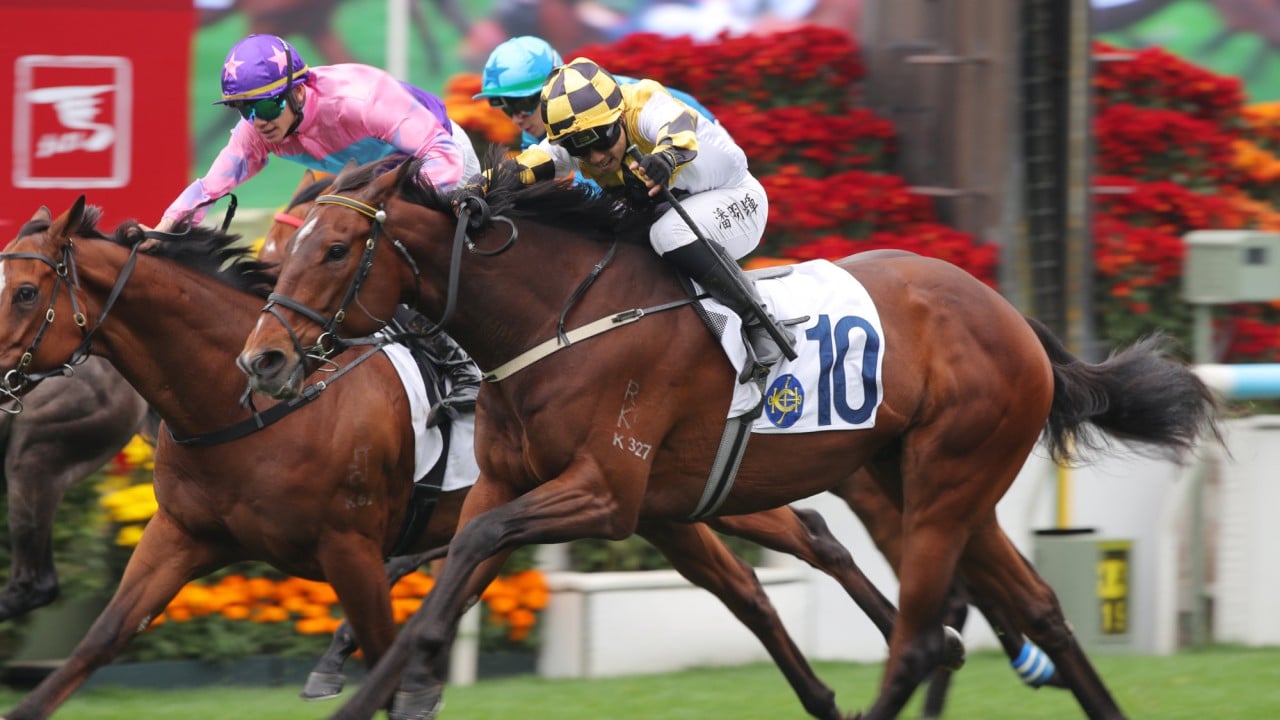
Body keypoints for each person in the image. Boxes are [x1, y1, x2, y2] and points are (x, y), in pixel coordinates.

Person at [157, 33, 481, 422]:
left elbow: (441, 154)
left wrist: (396, 219)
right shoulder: (257, 129)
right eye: (245, 109)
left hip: (435, 158)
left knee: (386, 253)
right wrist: (163, 231)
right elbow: (210, 187)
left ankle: (463, 367)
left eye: (268, 104)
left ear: (299, 90)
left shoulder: (357, 99)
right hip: (367, 179)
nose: (259, 120)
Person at [506, 56, 793, 372]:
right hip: (682, 213)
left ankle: (761, 323)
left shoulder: (643, 103)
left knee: (666, 233)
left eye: (602, 139)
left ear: (618, 118)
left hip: (738, 201)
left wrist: (667, 158)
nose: (596, 157)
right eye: (579, 150)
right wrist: (476, 188)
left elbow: (679, 129)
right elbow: (524, 166)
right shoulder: (576, 141)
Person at [472, 35, 717, 152]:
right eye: (506, 108)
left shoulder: (599, 106)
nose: (517, 119)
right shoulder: (536, 134)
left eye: (522, 104)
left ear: (553, 85)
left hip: (696, 139)